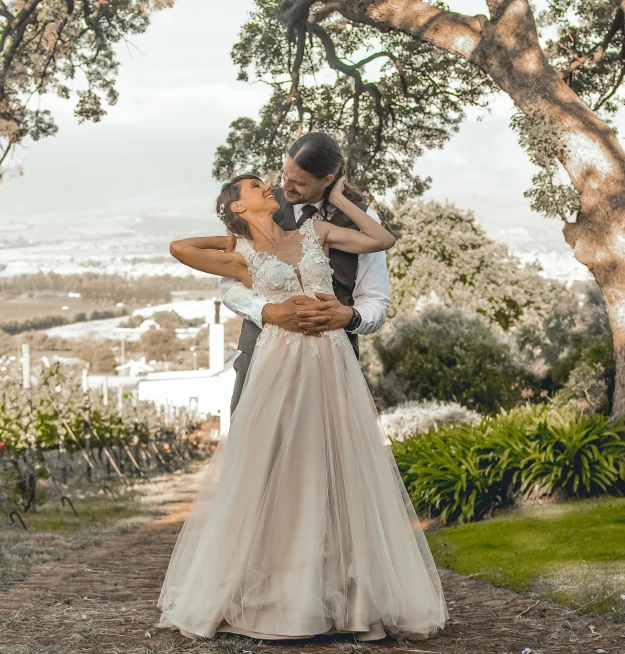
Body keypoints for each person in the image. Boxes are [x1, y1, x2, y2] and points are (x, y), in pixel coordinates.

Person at [157, 160, 447, 643]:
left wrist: (338, 200)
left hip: (331, 360)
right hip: (278, 363)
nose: (268, 185)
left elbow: (381, 240)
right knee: (279, 468)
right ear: (235, 205)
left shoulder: (316, 230)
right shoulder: (243, 259)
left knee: (341, 467)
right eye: (254, 186)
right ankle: (284, 599)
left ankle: (355, 603)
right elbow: (179, 248)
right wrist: (230, 238)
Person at [220, 132, 391, 414]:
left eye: (298, 182)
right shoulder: (261, 207)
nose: (284, 186)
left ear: (327, 179)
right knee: (260, 453)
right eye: (285, 175)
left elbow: (376, 300)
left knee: (325, 454)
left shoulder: (362, 221)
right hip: (261, 359)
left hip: (329, 362)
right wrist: (267, 311)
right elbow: (230, 286)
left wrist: (351, 316)